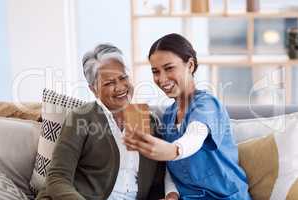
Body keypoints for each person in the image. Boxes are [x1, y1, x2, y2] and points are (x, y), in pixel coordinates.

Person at [124, 33, 252, 200]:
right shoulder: (169, 115)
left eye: (169, 68)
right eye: (156, 71)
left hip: (225, 196)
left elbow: (195, 136)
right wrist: (171, 195)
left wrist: (173, 150)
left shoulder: (207, 105)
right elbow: (172, 168)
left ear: (190, 65)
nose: (161, 79)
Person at [36, 44, 164, 200]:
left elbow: (156, 184)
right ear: (93, 89)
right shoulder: (81, 117)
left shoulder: (148, 121)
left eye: (123, 77)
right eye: (109, 83)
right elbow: (58, 177)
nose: (120, 87)